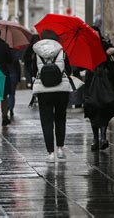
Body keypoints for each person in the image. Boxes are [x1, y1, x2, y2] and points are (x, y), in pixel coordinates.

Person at [32, 30, 73, 162]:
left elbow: (33, 71)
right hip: (61, 89)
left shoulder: (37, 52)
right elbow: (69, 70)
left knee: (46, 121)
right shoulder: (62, 51)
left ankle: (50, 153)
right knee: (60, 118)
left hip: (43, 90)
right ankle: (60, 149)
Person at [84, 26, 114, 151]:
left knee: (105, 107)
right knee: (92, 109)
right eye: (91, 32)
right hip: (91, 81)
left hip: (105, 81)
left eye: (96, 32)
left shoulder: (104, 44)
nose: (94, 34)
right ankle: (95, 138)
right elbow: (79, 66)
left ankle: (103, 137)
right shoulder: (86, 46)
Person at [7, 48, 22, 117]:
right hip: (13, 75)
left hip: (5, 75)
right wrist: (18, 78)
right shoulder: (15, 54)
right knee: (12, 94)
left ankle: (6, 107)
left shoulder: (3, 53)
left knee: (5, 94)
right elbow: (18, 68)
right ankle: (11, 108)